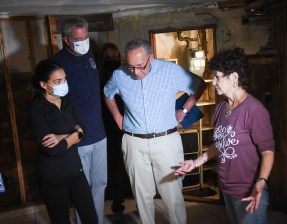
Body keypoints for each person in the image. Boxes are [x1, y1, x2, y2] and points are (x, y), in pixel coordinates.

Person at [104, 38, 207, 224]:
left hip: (166, 141)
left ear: (151, 58)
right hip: (133, 142)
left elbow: (199, 84)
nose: (135, 72)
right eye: (130, 66)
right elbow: (107, 93)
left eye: (140, 66)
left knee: (173, 195)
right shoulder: (120, 74)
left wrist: (184, 110)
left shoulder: (170, 71)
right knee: (142, 195)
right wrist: (117, 116)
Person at [175, 47, 275, 224]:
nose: (213, 82)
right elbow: (220, 144)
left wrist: (261, 182)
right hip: (227, 189)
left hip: (249, 192)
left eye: (217, 77)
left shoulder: (254, 110)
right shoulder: (221, 108)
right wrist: (196, 162)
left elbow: (267, 151)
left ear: (234, 78)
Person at [51, 17, 107, 224]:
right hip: (79, 137)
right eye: (78, 39)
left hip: (99, 134)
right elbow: (54, 103)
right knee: (82, 188)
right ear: (66, 40)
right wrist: (67, 132)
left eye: (86, 37)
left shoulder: (90, 55)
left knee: (100, 183)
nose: (84, 42)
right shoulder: (58, 64)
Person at [29, 59, 98, 224]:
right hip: (52, 177)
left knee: (91, 218)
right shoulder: (36, 109)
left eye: (64, 79)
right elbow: (52, 149)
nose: (63, 84)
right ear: (44, 85)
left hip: (75, 170)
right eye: (57, 81)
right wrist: (75, 134)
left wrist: (61, 136)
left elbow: (85, 131)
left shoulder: (68, 100)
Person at [98, 42, 130, 215]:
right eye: (108, 57)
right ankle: (117, 202)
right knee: (113, 165)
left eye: (115, 57)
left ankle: (123, 198)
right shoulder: (99, 78)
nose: (112, 60)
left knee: (126, 164)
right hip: (107, 127)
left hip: (126, 126)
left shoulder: (124, 76)